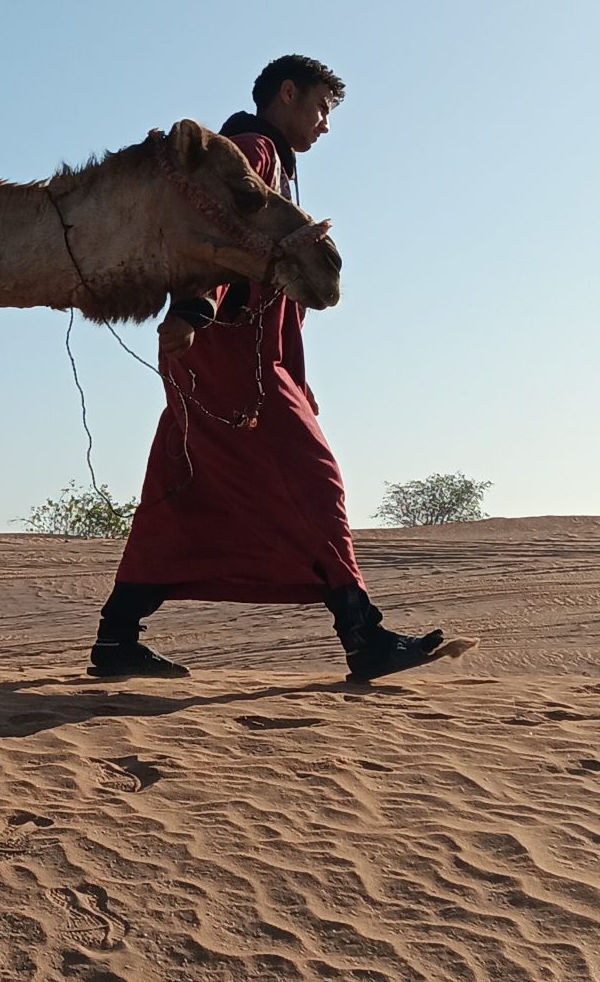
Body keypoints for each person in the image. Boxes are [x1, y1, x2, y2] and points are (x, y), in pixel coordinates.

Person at [88, 54, 447, 683]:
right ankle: (363, 636)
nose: (325, 125)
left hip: (224, 355)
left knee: (181, 487)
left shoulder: (270, 159)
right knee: (315, 481)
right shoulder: (253, 150)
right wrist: (195, 311)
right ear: (287, 94)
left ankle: (118, 637)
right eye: (321, 108)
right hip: (233, 357)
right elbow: (220, 235)